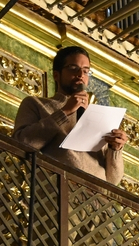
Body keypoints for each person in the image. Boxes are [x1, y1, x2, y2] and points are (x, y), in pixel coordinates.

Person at [13, 46, 127, 185]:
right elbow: (21, 143)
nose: (80, 74)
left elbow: (113, 180)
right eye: (73, 68)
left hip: (96, 200)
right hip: (57, 194)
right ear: (56, 75)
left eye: (86, 71)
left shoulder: (99, 115)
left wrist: (115, 149)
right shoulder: (36, 104)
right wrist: (65, 111)